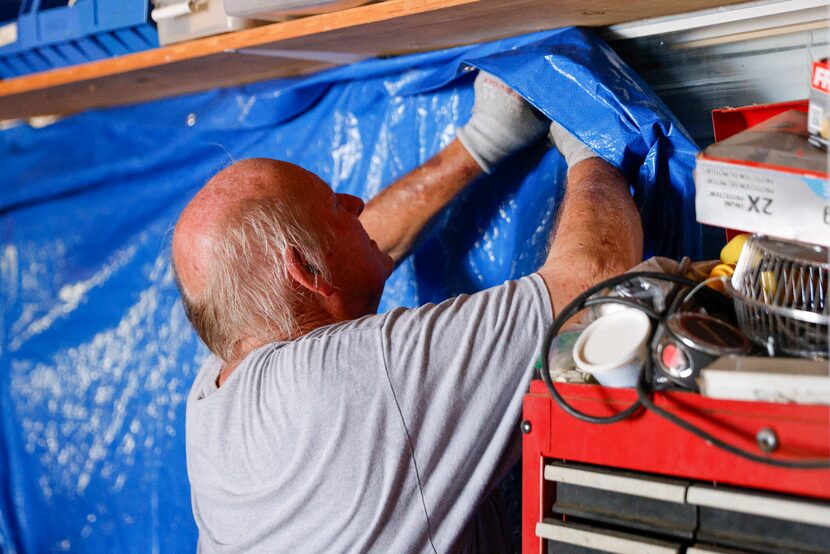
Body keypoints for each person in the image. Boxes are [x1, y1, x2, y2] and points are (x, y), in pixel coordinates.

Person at [173, 70, 643, 553]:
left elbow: (346, 256)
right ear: (305, 273)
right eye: (337, 205)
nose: (358, 204)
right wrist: (591, 146)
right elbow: (590, 286)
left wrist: (482, 139)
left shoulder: (213, 396)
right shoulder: (348, 378)